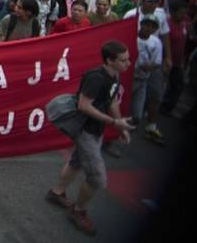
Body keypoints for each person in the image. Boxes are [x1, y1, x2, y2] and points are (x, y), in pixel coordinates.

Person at [46, 40, 134, 236]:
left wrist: (120, 125)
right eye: (123, 60)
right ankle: (79, 211)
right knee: (97, 179)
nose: (128, 63)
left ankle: (57, 192)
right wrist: (113, 123)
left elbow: (111, 100)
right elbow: (84, 106)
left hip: (97, 129)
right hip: (86, 131)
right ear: (110, 61)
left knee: (77, 161)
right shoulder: (96, 78)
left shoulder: (114, 76)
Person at [132, 16, 164, 143]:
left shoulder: (156, 42)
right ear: (141, 24)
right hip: (128, 77)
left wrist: (147, 67)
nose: (148, 28)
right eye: (146, 25)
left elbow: (157, 62)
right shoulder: (132, 36)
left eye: (152, 26)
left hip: (142, 80)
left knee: (137, 115)